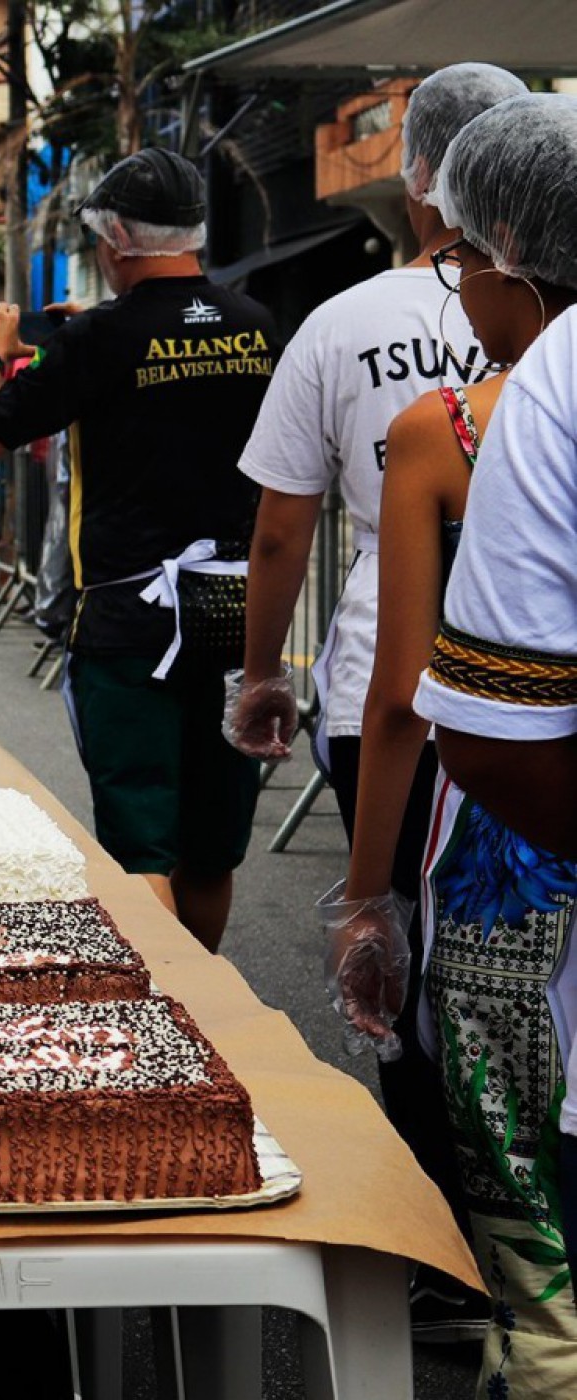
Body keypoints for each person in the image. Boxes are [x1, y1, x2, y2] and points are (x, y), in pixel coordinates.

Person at [224, 62, 526, 1342]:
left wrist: (258, 674)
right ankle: (520, 1248)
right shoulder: (541, 328)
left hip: (386, 691)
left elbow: (282, 531)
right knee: (520, 976)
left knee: (403, 979)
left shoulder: (345, 325)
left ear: (418, 176)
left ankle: (440, 1252)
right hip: (531, 702)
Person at [0, 147, 277, 953]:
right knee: (211, 843)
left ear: (118, 237)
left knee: (142, 845)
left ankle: (177, 1022)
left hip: (131, 617)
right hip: (238, 609)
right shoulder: (260, 323)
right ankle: (214, 1000)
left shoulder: (99, 338)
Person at [384, 95, 577, 1395]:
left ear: (505, 249)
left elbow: (473, 725)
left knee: (546, 1269)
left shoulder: (535, 394)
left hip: (525, 880)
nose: (455, 290)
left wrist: (364, 890)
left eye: (457, 260)